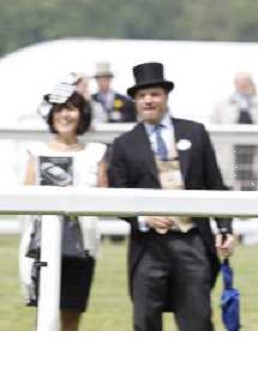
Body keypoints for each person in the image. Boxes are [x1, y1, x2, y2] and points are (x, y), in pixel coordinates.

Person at [107, 62, 234, 331]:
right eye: (142, 96)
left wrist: (224, 227)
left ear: (165, 96)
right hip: (148, 246)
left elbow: (215, 185)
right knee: (146, 322)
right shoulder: (123, 144)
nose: (148, 100)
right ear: (135, 101)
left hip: (192, 241)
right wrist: (144, 218)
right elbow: (117, 196)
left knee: (198, 321)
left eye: (154, 94)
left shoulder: (195, 132)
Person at [19, 78, 107, 331]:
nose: (65, 115)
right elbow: (26, 197)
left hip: (81, 245)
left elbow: (104, 196)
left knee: (71, 317)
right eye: (59, 109)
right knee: (43, 316)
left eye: (71, 108)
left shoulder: (96, 152)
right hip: (41, 244)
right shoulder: (35, 152)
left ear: (81, 114)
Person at [210, 72, 258, 190]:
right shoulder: (221, 106)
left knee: (251, 188)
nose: (242, 86)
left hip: (252, 159)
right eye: (240, 83)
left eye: (246, 83)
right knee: (229, 187)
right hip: (229, 158)